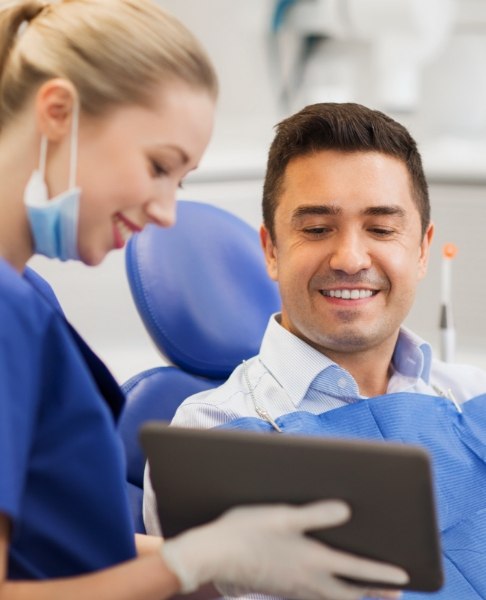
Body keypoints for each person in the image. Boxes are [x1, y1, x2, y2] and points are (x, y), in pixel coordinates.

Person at [0, 3, 410, 599]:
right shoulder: (8, 311)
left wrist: (233, 556)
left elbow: (59, 549)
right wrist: (188, 563)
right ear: (58, 112)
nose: (167, 212)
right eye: (158, 166)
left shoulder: (28, 296)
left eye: (181, 181)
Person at [143, 103, 486, 598]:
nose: (350, 258)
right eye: (317, 229)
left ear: (422, 250)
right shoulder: (215, 434)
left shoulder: (472, 397)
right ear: (272, 251)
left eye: (382, 229)